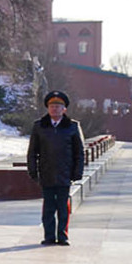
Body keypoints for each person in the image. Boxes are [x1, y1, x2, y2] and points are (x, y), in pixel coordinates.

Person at [27, 90, 84, 246]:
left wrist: (77, 172)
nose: (55, 109)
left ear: (64, 109)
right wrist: (33, 172)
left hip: (65, 174)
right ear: (47, 108)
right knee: (48, 208)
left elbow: (79, 152)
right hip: (46, 173)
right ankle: (49, 236)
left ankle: (63, 236)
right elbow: (32, 152)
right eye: (52, 106)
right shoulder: (39, 126)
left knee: (63, 208)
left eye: (58, 106)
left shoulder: (72, 127)